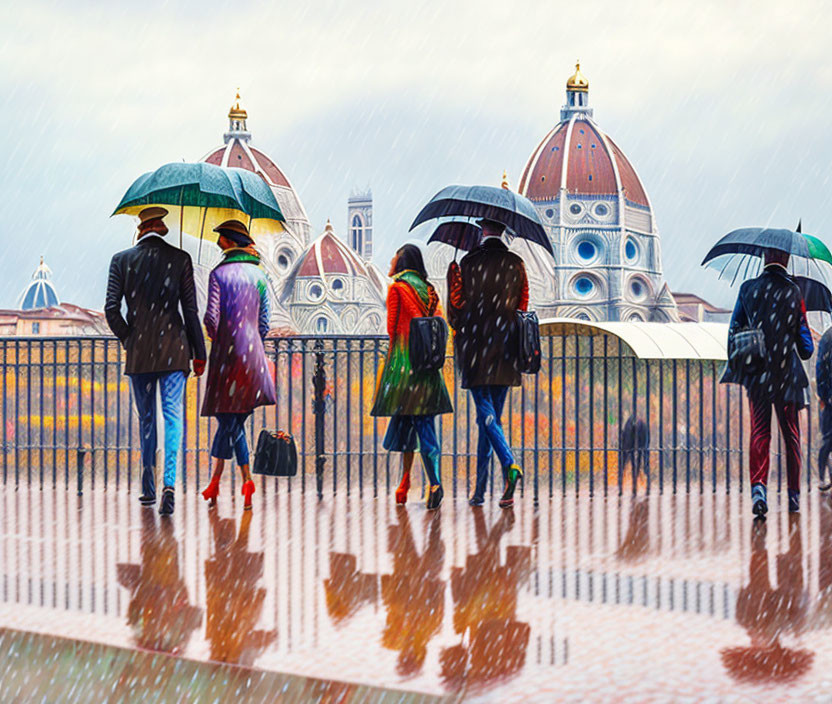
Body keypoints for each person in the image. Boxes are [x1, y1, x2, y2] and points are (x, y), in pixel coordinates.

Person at [104, 207, 206, 516]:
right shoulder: (180, 260)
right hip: (174, 350)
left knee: (147, 420)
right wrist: (199, 352)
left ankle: (147, 488)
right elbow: (190, 312)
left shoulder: (121, 261)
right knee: (173, 417)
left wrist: (128, 337)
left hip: (140, 354)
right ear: (161, 228)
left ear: (141, 229)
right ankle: (169, 486)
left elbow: (111, 309)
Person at [722, 247, 814, 516]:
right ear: (786, 259)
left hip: (758, 374)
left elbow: (733, 332)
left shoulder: (748, 288)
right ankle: (793, 496)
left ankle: (758, 491)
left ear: (764, 257)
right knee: (791, 437)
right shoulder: (794, 291)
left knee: (760, 433)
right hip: (787, 376)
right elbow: (806, 347)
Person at [447, 218, 528, 508]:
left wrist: (452, 275)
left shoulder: (468, 263)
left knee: (486, 417)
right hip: (507, 351)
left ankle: (509, 465)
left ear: (482, 231)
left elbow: (456, 307)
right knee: (490, 420)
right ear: (503, 232)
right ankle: (480, 491)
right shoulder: (517, 264)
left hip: (476, 351)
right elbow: (523, 307)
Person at [199, 220, 276, 511]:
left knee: (228, 419)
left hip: (226, 356)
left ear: (229, 242)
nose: (217, 243)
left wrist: (219, 339)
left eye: (220, 239)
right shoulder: (259, 275)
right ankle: (223, 482)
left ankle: (237, 479)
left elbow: (210, 318)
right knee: (233, 421)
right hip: (252, 356)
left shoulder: (218, 274)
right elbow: (265, 322)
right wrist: (253, 341)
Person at [370, 244, 452, 509]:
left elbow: (392, 329)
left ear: (402, 261)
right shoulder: (430, 291)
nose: (390, 262)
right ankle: (410, 483)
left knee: (412, 424)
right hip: (427, 368)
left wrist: (390, 366)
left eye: (393, 257)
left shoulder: (397, 289)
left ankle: (432, 484)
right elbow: (437, 322)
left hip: (405, 367)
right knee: (420, 425)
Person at [816, 325, 832, 490]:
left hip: (829, 398)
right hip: (830, 399)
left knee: (827, 440)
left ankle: (823, 476)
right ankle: (822, 476)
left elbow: (821, 366)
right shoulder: (828, 337)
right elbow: (821, 368)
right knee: (828, 440)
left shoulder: (827, 336)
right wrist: (824, 394)